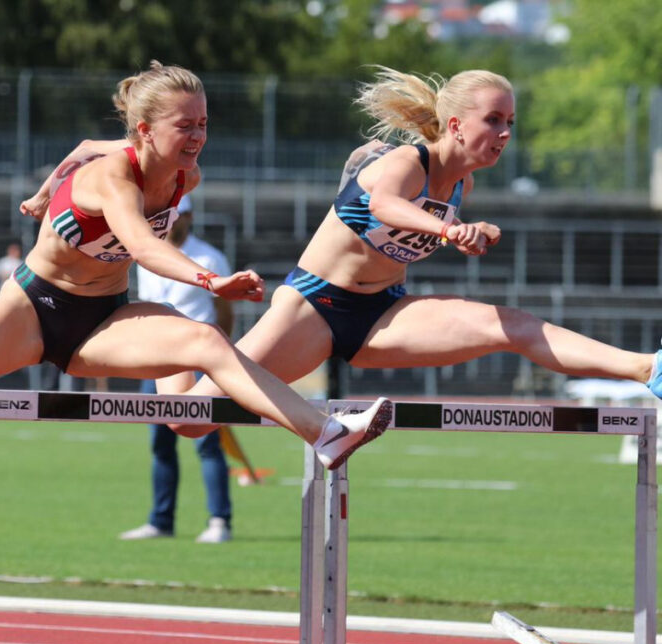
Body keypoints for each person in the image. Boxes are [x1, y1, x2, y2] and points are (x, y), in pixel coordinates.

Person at [0, 61, 392, 471]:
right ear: (146, 130)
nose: (198, 136)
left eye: (203, 123)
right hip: (32, 308)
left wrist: (41, 195)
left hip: (104, 317)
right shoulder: (113, 175)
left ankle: (325, 433)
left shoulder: (184, 176)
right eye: (186, 126)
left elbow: (81, 143)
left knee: (204, 344)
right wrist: (210, 279)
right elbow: (143, 244)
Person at [164, 66, 662, 438]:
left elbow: (429, 221)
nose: (505, 133)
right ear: (455, 124)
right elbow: (385, 204)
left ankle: (648, 367)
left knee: (510, 325)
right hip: (313, 309)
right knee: (188, 421)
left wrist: (474, 229)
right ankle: (175, 342)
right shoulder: (407, 161)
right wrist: (449, 230)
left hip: (384, 313)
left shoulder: (461, 182)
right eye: (493, 120)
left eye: (510, 120)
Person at [120, 194, 239, 543]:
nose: (172, 221)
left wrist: (220, 356)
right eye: (165, 215)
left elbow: (225, 310)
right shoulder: (145, 253)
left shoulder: (209, 257)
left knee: (207, 443)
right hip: (157, 359)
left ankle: (219, 521)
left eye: (178, 214)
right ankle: (161, 520)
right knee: (160, 442)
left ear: (189, 216)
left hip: (199, 360)